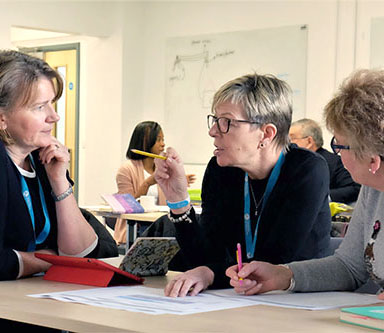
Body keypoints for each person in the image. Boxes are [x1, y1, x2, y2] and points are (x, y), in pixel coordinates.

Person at [154, 73, 332, 297]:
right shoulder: (222, 170)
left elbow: (273, 262)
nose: (213, 131)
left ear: (266, 133)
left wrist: (211, 273)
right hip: (237, 300)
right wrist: (178, 199)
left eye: (227, 122)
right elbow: (203, 260)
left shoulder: (307, 170)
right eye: (215, 120)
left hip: (298, 301)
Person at [225, 69, 384, 299]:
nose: (337, 154)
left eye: (340, 146)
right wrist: (283, 275)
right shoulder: (373, 189)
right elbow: (349, 267)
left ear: (372, 159)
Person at [0, 50, 105, 331]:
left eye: (52, 104)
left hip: (39, 307)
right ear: (2, 118)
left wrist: (60, 181)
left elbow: (79, 253)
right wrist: (44, 261)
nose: (54, 116)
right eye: (39, 107)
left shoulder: (42, 160)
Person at [113, 121, 195, 244]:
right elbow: (127, 207)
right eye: (158, 140)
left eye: (163, 139)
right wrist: (147, 183)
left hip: (159, 224)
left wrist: (178, 183)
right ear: (145, 141)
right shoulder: (126, 170)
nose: (163, 144)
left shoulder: (162, 168)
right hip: (138, 228)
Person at [289, 118, 360, 204]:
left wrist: (319, 196)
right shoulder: (290, 162)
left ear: (309, 141)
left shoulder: (334, 162)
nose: (287, 143)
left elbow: (354, 188)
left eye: (291, 138)